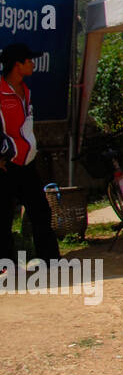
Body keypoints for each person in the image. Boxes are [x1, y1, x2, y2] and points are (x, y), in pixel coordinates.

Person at [0, 43, 58, 270]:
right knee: (3, 216)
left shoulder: (26, 91)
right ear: (17, 64)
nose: (33, 64)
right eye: (29, 60)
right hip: (5, 165)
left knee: (41, 211)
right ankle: (5, 265)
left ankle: (51, 260)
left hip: (27, 163)